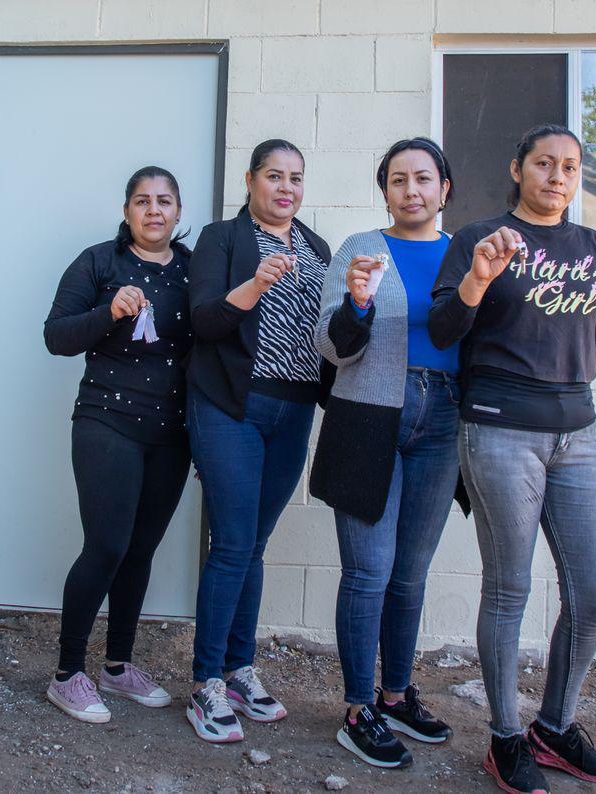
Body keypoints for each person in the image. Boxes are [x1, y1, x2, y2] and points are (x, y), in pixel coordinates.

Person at [428, 125, 596, 793]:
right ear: (518, 169)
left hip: (576, 435)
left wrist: (560, 378)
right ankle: (505, 737)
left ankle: (555, 727)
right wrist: (477, 280)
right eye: (544, 163)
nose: (557, 176)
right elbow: (443, 330)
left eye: (569, 166)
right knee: (509, 588)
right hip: (499, 432)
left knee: (594, 593)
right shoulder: (479, 239)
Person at [312, 137, 465, 770]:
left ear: (444, 189)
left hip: (444, 419)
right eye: (398, 180)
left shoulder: (464, 254)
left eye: (423, 178)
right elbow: (330, 348)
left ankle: (396, 695)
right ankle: (358, 708)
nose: (411, 190)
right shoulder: (360, 249)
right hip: (369, 419)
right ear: (385, 192)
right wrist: (358, 304)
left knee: (410, 573)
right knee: (368, 572)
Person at [182, 138, 333, 744]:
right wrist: (255, 285)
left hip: (294, 410)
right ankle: (206, 682)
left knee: (256, 544)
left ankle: (240, 669)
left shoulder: (317, 247)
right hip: (230, 406)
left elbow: (326, 336)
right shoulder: (222, 239)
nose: (286, 187)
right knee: (233, 542)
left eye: (296, 177)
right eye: (274, 175)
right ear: (250, 180)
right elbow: (204, 321)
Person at [42, 167, 194, 725]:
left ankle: (117, 667)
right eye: (142, 201)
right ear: (126, 210)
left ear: (179, 211)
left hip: (172, 433)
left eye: (164, 201)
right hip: (106, 422)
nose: (154, 210)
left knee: (140, 550)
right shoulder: (98, 262)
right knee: (106, 546)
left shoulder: (194, 268)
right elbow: (56, 336)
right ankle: (66, 675)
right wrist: (109, 311)